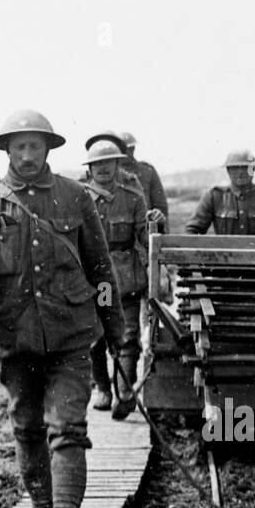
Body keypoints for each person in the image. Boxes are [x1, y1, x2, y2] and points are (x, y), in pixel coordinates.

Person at [0, 109, 124, 508]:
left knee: (67, 428)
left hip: (71, 338)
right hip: (16, 339)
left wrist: (116, 328)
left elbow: (101, 268)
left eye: (36, 146)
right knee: (27, 428)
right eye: (20, 146)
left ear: (49, 149)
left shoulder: (74, 198)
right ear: (7, 150)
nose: (28, 155)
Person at [82, 140, 149, 419]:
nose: (103, 169)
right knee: (98, 334)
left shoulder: (133, 198)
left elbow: (145, 238)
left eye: (108, 163)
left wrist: (155, 224)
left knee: (128, 334)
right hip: (100, 282)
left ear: (117, 165)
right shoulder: (81, 198)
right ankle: (102, 388)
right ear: (90, 169)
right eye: (97, 165)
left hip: (124, 278)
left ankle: (124, 391)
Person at [185, 149, 255, 235]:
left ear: (253, 170)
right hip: (223, 257)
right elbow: (193, 230)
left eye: (245, 168)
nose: (240, 173)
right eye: (235, 168)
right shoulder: (214, 196)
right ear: (228, 171)